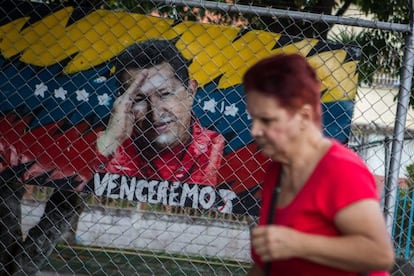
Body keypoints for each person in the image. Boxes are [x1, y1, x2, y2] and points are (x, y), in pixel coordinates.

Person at [243, 54, 395, 276]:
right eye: (253, 119)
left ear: (304, 116)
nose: (255, 130)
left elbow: (379, 254)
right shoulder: (278, 170)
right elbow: (269, 264)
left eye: (267, 120)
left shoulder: (340, 169)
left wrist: (298, 244)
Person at [97, 39, 224, 186]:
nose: (155, 114)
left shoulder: (221, 150)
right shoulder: (104, 145)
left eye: (164, 94)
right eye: (138, 99)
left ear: (190, 92)